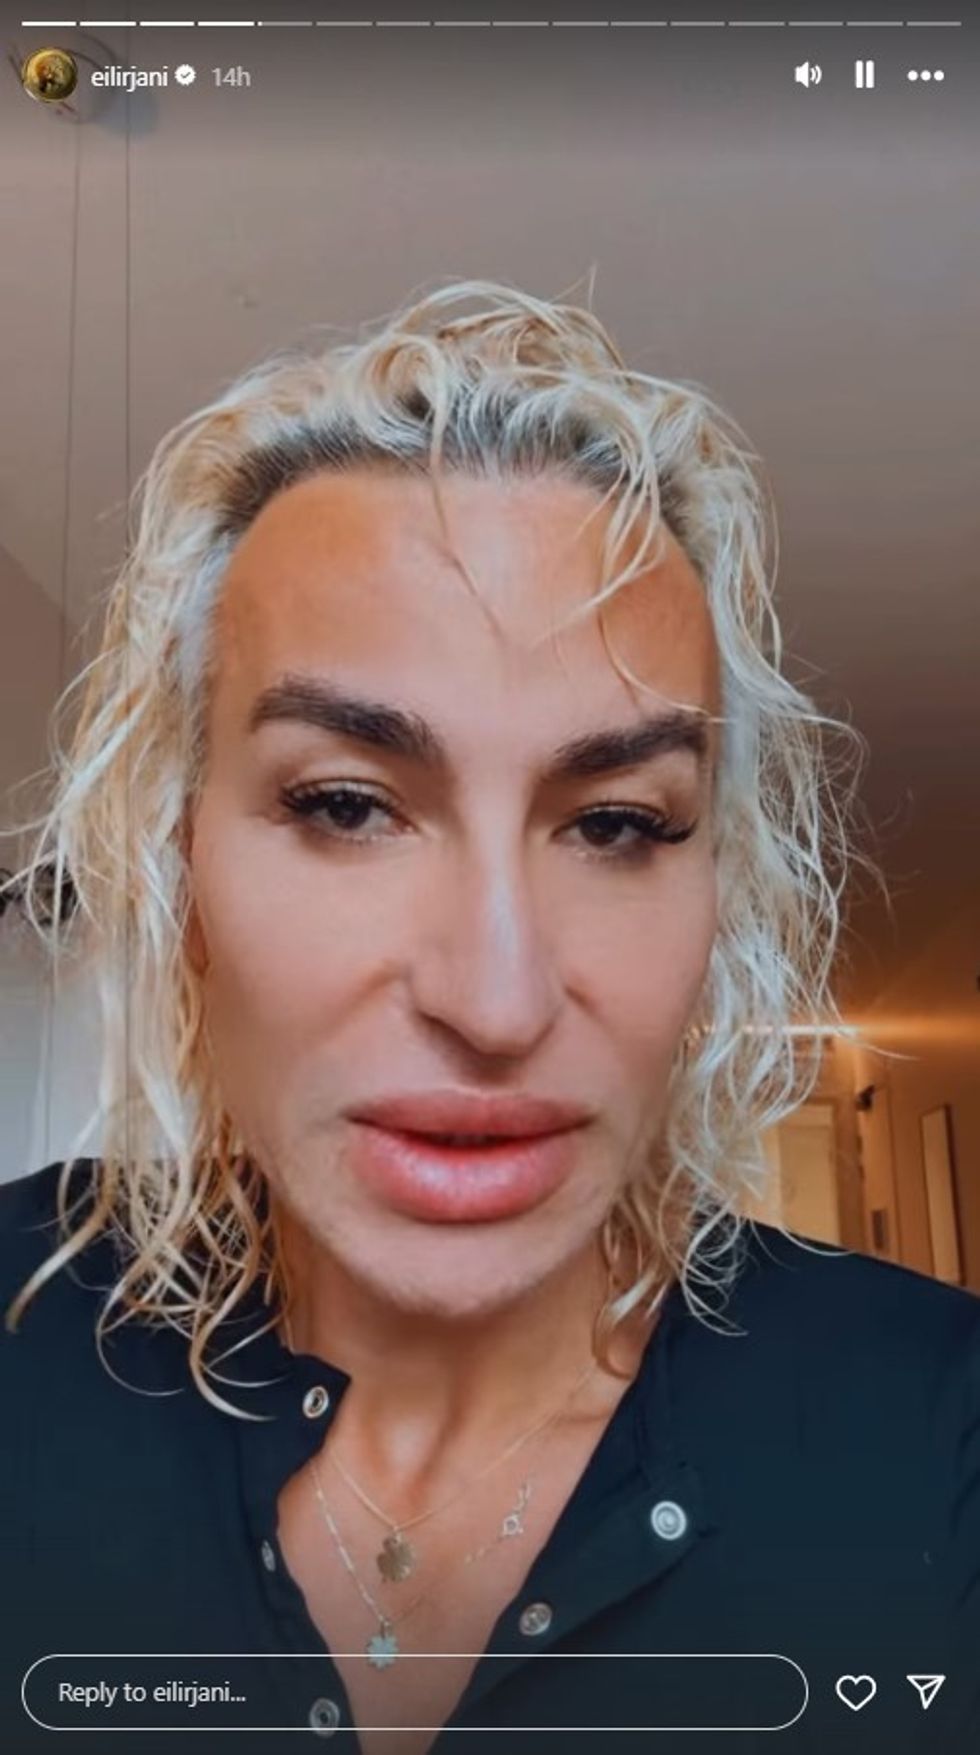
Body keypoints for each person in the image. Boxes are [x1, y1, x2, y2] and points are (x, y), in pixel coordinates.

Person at [1, 280, 977, 1755]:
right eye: (347, 805)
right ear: (179, 873)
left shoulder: (935, 1431)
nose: (497, 1001)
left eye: (617, 824)